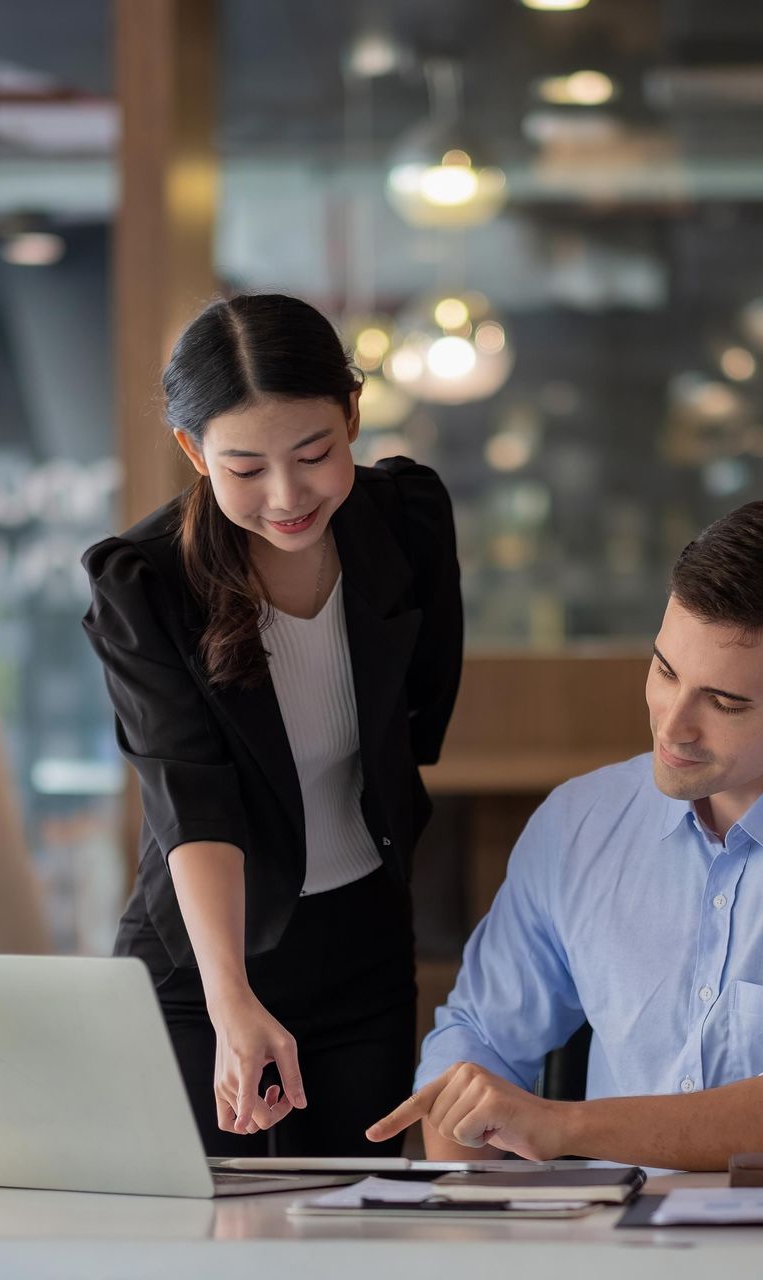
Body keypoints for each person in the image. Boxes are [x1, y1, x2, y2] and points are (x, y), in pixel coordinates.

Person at [369, 499, 763, 1170]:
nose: (673, 726)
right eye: (665, 670)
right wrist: (475, 1226)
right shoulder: (580, 822)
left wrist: (564, 1128)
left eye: (726, 702)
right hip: (615, 1251)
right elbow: (476, 1040)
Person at [82, 292, 462, 1156]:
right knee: (200, 1232)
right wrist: (231, 998)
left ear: (353, 415)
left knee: (349, 1220)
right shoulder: (146, 585)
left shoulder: (406, 521)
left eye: (314, 454)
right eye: (245, 468)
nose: (287, 496)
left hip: (364, 947)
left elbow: (420, 715)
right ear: (193, 449)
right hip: (201, 963)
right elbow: (194, 800)